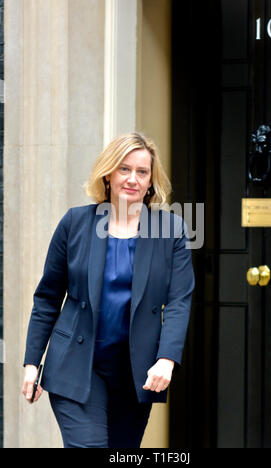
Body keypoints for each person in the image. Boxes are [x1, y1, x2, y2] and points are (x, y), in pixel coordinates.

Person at [22, 132, 195, 448]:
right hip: (76, 367)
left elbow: (179, 300)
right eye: (124, 169)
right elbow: (48, 296)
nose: (132, 179)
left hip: (136, 372)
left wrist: (166, 358)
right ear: (107, 173)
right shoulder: (75, 223)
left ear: (151, 181)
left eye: (142, 172)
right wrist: (32, 363)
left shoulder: (171, 230)